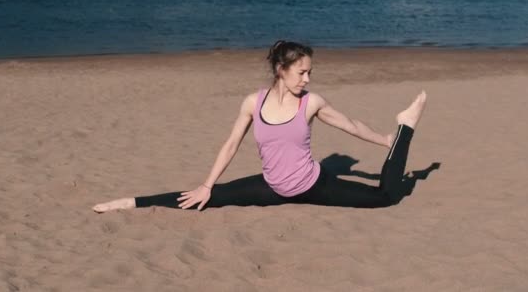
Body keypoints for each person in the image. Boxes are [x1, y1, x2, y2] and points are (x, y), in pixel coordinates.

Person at [92, 40, 427, 213]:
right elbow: (231, 143)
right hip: (270, 186)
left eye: (310, 72)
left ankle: (404, 128)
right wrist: (207, 184)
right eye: (302, 72)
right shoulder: (254, 102)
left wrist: (386, 140)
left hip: (313, 185)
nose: (308, 78)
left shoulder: (310, 102)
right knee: (202, 200)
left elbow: (350, 125)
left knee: (384, 197)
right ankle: (130, 202)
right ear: (281, 69)